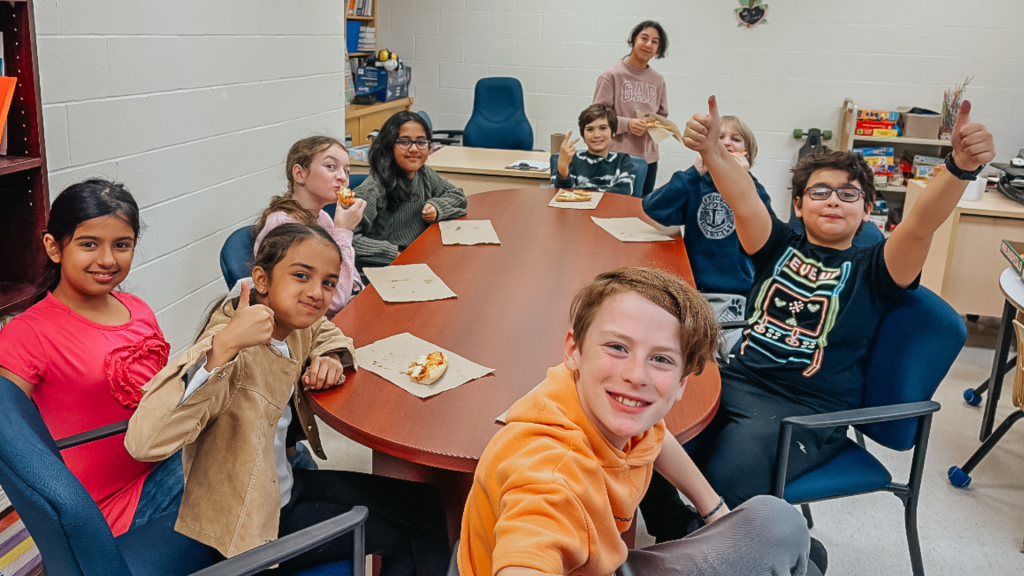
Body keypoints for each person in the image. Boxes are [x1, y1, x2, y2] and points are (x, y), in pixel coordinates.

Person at [679, 96, 995, 511]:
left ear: (867, 210)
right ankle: (680, 533)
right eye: (820, 191)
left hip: (803, 411)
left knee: (727, 480)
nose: (832, 200)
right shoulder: (776, 245)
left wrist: (959, 167)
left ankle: (771, 554)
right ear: (798, 204)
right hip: (736, 380)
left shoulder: (877, 269)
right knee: (644, 439)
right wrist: (712, 151)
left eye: (849, 194)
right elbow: (742, 198)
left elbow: (920, 225)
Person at [126, 224, 450, 575]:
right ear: (262, 280)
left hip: (285, 485)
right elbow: (144, 442)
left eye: (328, 282)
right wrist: (224, 347)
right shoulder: (229, 349)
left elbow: (326, 331)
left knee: (427, 501)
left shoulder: (293, 323)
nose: (317, 293)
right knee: (402, 536)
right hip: (256, 523)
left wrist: (332, 356)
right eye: (301, 275)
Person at [458, 267, 814, 576]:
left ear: (680, 385)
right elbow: (532, 537)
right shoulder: (551, 471)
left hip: (605, 564)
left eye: (660, 358)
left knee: (780, 524)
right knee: (795, 549)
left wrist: (714, 510)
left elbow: (655, 437)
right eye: (617, 347)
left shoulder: (594, 399)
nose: (636, 375)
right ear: (574, 350)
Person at [0, 179, 183, 537]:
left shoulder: (138, 308)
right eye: (88, 244)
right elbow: (11, 438)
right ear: (54, 247)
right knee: (239, 456)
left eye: (122, 245)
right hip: (108, 509)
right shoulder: (27, 334)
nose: (107, 260)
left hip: (161, 467)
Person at [642, 115, 776, 356]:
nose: (726, 143)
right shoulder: (695, 184)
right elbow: (654, 208)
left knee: (730, 350)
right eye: (719, 138)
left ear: (747, 153)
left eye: (735, 139)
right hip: (694, 289)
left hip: (734, 293)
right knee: (686, 350)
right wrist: (694, 172)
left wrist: (745, 181)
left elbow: (768, 231)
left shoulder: (751, 191)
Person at [254, 135, 367, 318]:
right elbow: (334, 301)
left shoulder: (322, 217)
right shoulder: (283, 225)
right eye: (331, 166)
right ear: (300, 174)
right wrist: (343, 232)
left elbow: (351, 283)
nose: (342, 178)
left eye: (346, 171)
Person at [352, 111, 468, 268]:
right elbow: (346, 237)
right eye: (405, 142)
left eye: (421, 142)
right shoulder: (373, 189)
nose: (414, 149)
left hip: (421, 254)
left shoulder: (424, 174)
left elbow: (458, 196)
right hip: (390, 268)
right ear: (389, 145)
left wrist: (437, 207)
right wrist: (390, 252)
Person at [593, 20, 669, 197]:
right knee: (612, 208)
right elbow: (596, 117)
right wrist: (627, 124)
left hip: (648, 158)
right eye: (644, 38)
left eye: (655, 41)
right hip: (615, 156)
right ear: (633, 39)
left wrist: (656, 125)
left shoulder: (658, 80)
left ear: (658, 49)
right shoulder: (611, 75)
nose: (648, 44)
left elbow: (662, 115)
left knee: (640, 210)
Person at [552, 104, 637, 197]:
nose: (596, 135)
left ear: (613, 132)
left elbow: (624, 191)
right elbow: (561, 194)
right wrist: (563, 169)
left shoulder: (623, 160)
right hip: (577, 210)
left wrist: (579, 190)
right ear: (583, 134)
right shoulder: (569, 159)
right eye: (590, 129)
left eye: (603, 128)